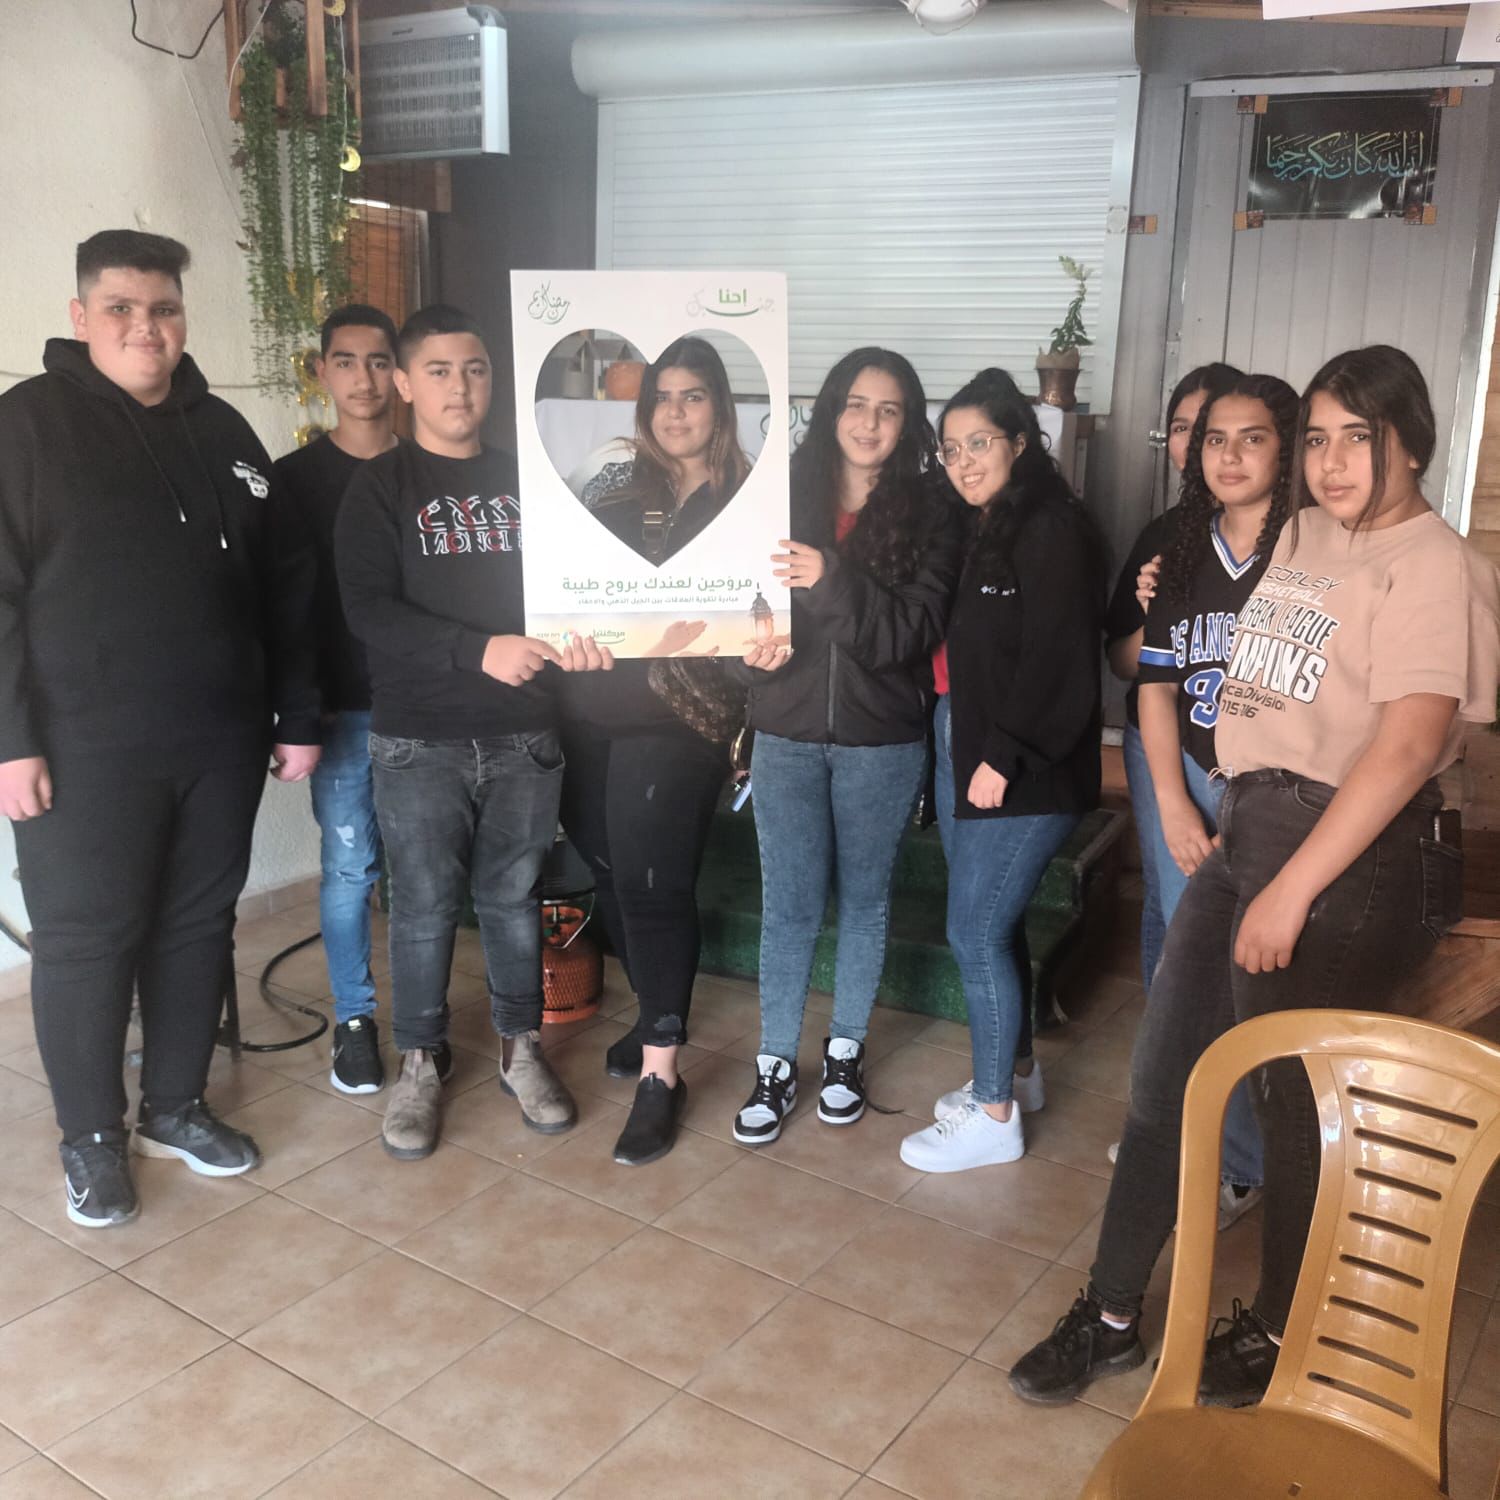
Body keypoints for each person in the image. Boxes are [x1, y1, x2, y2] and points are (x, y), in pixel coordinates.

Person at [1010, 345, 1500, 1410]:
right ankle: (1110, 1315)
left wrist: (1292, 889)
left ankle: (1284, 1329)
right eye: (1317, 439)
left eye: (1358, 438)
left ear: (1414, 442)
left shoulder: (1434, 564)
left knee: (1291, 1101)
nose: (1332, 461)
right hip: (1251, 825)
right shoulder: (1305, 535)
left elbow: (1409, 747)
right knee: (1164, 1081)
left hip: (1355, 846)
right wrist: (1158, 585)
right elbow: (1196, 600)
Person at [0, 230, 321, 1227]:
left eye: (164, 308)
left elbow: (286, 587)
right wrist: (10, 740)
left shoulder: (224, 429)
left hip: (218, 740)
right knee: (87, 941)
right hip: (81, 750)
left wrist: (297, 711)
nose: (146, 327)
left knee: (195, 926)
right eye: (123, 308)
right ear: (81, 316)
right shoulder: (25, 427)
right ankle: (92, 1139)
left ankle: (175, 1107)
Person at [334, 304, 612, 1161]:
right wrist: (475, 650)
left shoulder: (533, 483)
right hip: (419, 740)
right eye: (440, 371)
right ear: (404, 383)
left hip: (526, 735)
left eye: (476, 369)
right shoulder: (379, 487)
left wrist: (590, 640)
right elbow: (367, 610)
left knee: (513, 900)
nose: (461, 387)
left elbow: (578, 590)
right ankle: (420, 1063)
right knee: (420, 907)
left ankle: (520, 1050)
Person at [732, 348, 963, 1146]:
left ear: (909, 424)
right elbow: (740, 610)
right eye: (857, 404)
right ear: (831, 409)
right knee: (789, 906)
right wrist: (749, 656)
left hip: (881, 742)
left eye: (889, 410)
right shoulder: (777, 497)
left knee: (864, 901)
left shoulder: (933, 513)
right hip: (785, 733)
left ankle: (844, 1053)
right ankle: (773, 1062)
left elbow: (907, 633)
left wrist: (830, 577)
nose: (870, 423)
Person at [897, 369, 1104, 1172]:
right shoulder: (985, 523)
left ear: (1020, 441)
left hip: (1019, 764)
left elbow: (1059, 658)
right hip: (969, 740)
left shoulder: (1051, 527)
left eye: (978, 443)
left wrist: (1002, 755)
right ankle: (1017, 1074)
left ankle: (992, 1115)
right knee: (997, 921)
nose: (963, 462)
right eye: (950, 449)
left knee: (974, 929)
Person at [559, 338, 749, 1165]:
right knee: (608, 871)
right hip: (587, 709)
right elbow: (566, 584)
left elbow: (760, 623)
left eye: (693, 395)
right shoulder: (611, 489)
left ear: (721, 407)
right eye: (662, 397)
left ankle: (661, 1075)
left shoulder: (747, 502)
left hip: (678, 719)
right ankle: (651, 1017)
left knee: (651, 885)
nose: (676, 411)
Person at [1131, 373, 1301, 1218]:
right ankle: (1212, 1151)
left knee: (1252, 977)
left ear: (1286, 447)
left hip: (1278, 793)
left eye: (1253, 437)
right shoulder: (1184, 549)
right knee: (1192, 972)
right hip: (1194, 784)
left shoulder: (1311, 548)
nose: (1230, 456)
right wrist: (1170, 802)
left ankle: (1251, 1162)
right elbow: (1155, 687)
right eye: (1214, 439)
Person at [274, 304, 399, 1094]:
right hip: (342, 711)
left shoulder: (426, 468)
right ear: (322, 372)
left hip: (426, 704)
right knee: (350, 869)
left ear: (400, 373)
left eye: (379, 360)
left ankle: (424, 1025)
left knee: (427, 877)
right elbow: (283, 607)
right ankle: (355, 1021)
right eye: (346, 361)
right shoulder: (291, 482)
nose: (364, 378)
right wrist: (298, 708)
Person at [1105, 363, 1241, 990]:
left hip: (1245, 752)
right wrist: (1158, 619)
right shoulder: (1163, 535)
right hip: (1161, 741)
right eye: (1183, 428)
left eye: (1212, 425)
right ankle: (1166, 1038)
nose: (1199, 442)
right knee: (1170, 902)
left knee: (1223, 918)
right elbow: (1123, 663)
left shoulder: (1289, 533)